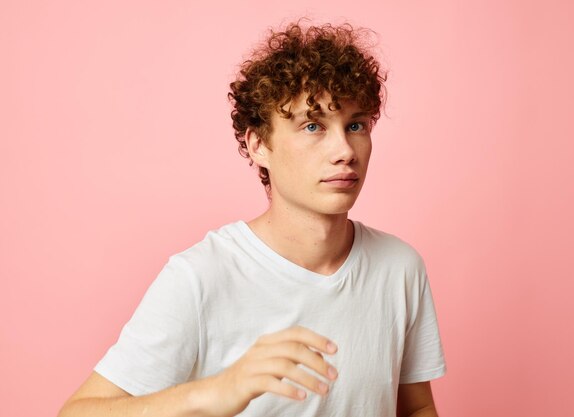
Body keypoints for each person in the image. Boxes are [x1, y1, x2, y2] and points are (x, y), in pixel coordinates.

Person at [58, 20, 446, 417]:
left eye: (356, 125)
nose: (344, 150)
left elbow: (416, 408)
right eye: (312, 126)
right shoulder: (201, 276)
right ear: (258, 144)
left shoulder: (400, 267)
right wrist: (214, 392)